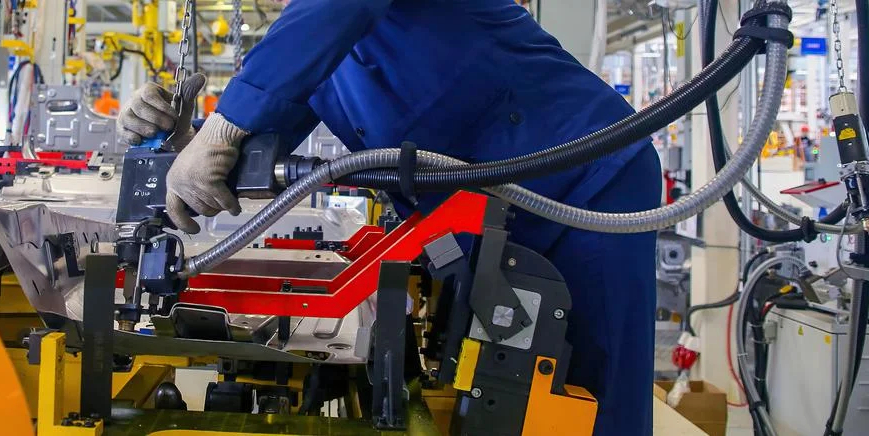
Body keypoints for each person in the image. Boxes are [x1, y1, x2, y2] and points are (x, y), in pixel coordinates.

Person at [117, 1, 661, 434]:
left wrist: (228, 124)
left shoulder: (334, 13)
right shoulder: (318, 49)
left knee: (592, 397)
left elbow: (329, 15)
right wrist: (191, 142)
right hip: (491, 220)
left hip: (586, 182)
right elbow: (267, 135)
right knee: (513, 395)